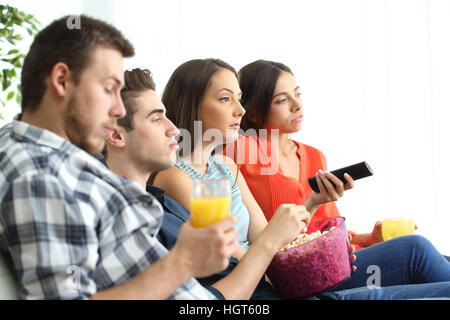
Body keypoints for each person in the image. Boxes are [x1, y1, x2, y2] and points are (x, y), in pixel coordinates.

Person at [152, 58, 450, 299]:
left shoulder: (226, 166)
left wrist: (313, 204)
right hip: (267, 286)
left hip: (281, 274)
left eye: (239, 99)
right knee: (418, 253)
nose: (239, 110)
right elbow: (239, 258)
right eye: (225, 99)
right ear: (192, 104)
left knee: (418, 249)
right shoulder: (176, 178)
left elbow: (267, 237)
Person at [0, 15, 238, 300]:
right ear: (62, 81)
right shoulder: (41, 178)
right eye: (109, 89)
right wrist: (183, 262)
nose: (116, 110)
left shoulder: (22, 141)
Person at [233, 59, 450, 257]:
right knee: (417, 250)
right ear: (251, 112)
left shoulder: (314, 156)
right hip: (297, 265)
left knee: (435, 256)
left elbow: (326, 230)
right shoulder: (239, 150)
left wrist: (368, 239)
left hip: (334, 257)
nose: (297, 105)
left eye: (298, 94)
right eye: (281, 100)